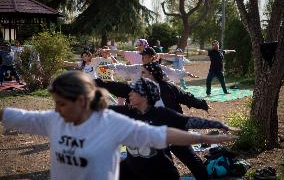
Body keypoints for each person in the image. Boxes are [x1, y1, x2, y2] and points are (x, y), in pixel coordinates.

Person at [0, 71, 237, 180]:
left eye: (61, 103)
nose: (56, 109)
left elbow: (169, 130)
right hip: (136, 167)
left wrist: (209, 136)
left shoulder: (119, 122)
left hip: (161, 172)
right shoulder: (55, 120)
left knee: (188, 160)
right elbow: (19, 116)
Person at [95, 62, 212, 180]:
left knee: (191, 160)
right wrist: (98, 83)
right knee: (163, 164)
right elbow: (119, 88)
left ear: (153, 74)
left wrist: (203, 105)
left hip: (174, 131)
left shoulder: (169, 87)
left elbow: (186, 97)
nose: (140, 75)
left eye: (143, 72)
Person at [105, 77, 236, 180]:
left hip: (162, 173)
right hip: (133, 170)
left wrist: (218, 124)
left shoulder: (161, 114)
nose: (130, 94)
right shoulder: (126, 112)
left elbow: (190, 121)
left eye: (134, 91)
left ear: (144, 95)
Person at [104, 47, 197, 83]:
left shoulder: (159, 68)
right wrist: (110, 66)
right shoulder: (138, 67)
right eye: (142, 55)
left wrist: (187, 73)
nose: (142, 57)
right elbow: (124, 67)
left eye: (145, 56)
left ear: (152, 57)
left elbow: (172, 72)